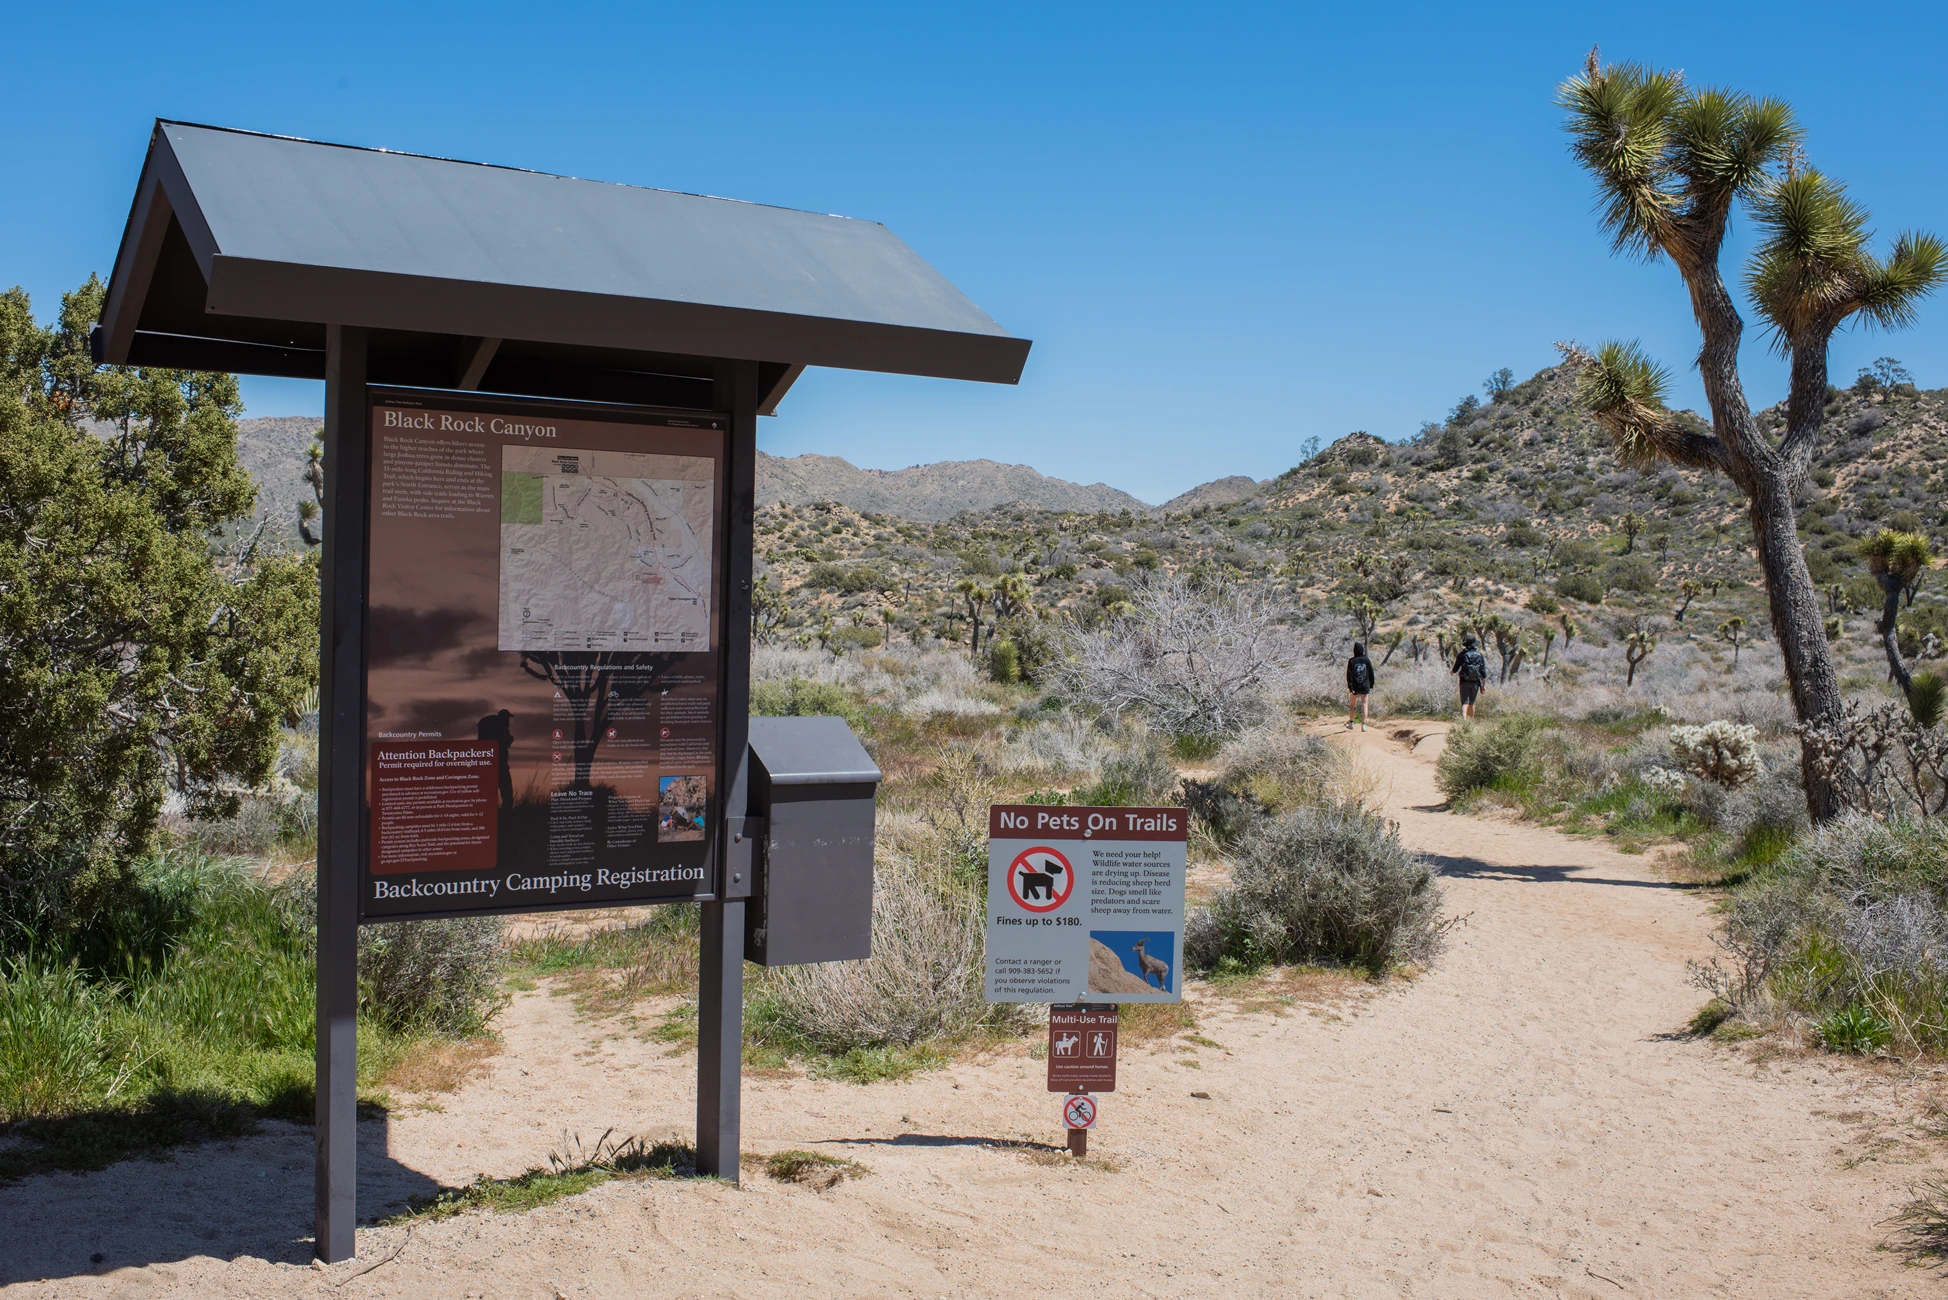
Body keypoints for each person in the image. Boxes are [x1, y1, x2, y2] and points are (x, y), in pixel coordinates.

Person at [1451, 633, 1489, 718]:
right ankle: (1471, 723)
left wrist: (1452, 671)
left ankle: (1464, 722)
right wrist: (1483, 686)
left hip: (1464, 681)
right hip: (1475, 681)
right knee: (1471, 703)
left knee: (1465, 702)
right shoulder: (1479, 655)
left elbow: (1456, 666)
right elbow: (1483, 672)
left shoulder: (1462, 655)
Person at [1345, 642, 1375, 730]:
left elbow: (1349, 675)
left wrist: (1350, 687)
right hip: (1365, 686)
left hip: (1355, 686)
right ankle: (1364, 725)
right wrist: (1371, 684)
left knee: (1352, 705)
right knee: (1365, 705)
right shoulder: (1367, 660)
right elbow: (1371, 673)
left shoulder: (1351, 661)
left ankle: (1351, 723)